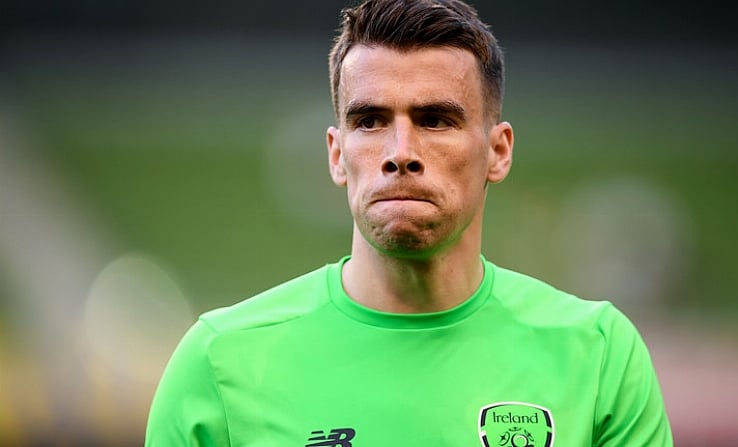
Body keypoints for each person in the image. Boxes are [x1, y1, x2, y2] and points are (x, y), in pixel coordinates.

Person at [145, 0, 673, 445]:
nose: (401, 153)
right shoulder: (218, 365)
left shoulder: (598, 356)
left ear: (498, 151)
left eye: (435, 120)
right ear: (336, 155)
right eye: (370, 120)